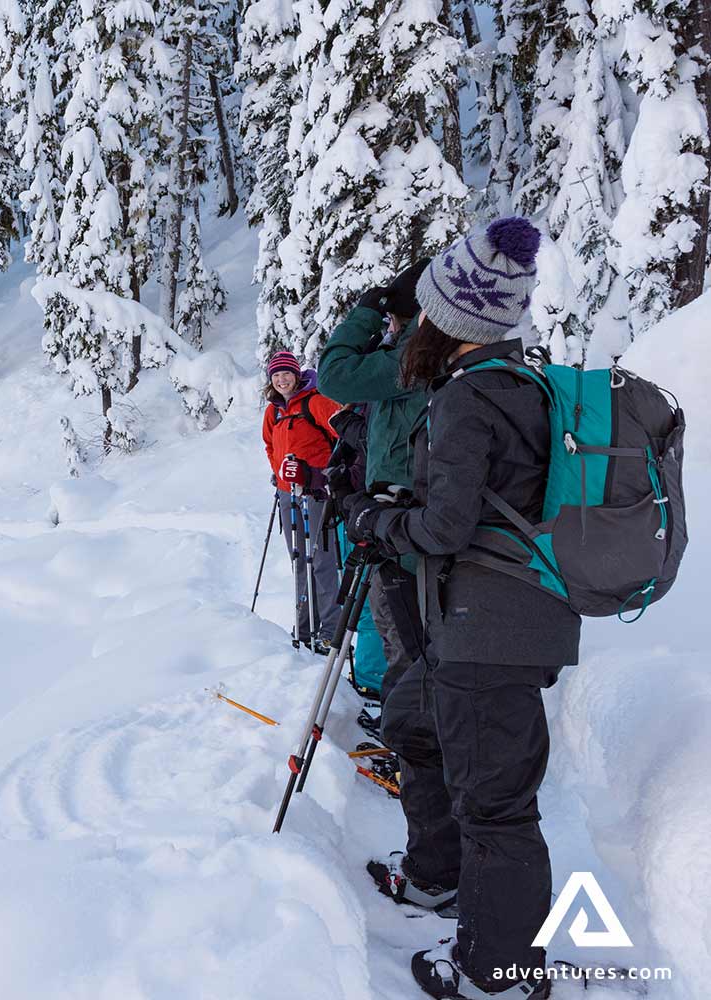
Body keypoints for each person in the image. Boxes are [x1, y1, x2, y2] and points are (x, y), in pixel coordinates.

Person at [343, 218, 580, 999]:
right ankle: (439, 877)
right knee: (414, 719)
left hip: (489, 630)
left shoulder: (471, 400)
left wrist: (379, 521)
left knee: (498, 808)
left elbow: (442, 527)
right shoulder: (522, 383)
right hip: (489, 621)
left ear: (452, 321)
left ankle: (499, 974)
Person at [319, 258, 430, 708]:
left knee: (403, 638)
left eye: (390, 315)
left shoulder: (413, 355)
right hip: (401, 522)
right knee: (399, 634)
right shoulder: (421, 356)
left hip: (402, 528)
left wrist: (366, 312)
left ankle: (417, 751)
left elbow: (335, 375)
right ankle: (410, 735)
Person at [261, 351, 342, 653]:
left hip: (317, 493)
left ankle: (330, 631)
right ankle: (305, 625)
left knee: (322, 562)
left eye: (286, 374)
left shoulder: (315, 402)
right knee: (299, 560)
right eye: (276, 375)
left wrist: (321, 476)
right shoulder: (274, 411)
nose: (281, 380)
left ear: (297, 374)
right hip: (287, 494)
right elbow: (270, 444)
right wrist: (278, 474)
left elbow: (346, 439)